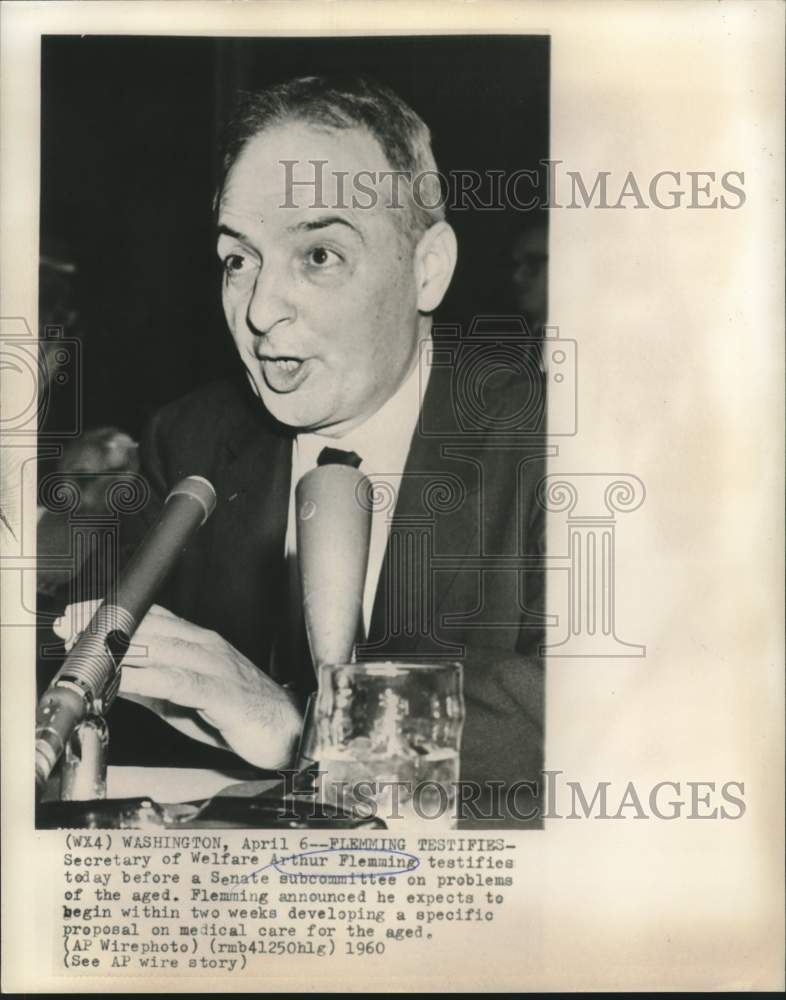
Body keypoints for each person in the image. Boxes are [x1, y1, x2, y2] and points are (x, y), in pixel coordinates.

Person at [54, 76, 546, 821]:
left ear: (428, 269)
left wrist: (307, 726)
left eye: (318, 255)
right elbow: (65, 651)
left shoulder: (554, 440)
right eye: (238, 259)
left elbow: (593, 714)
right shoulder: (190, 440)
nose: (259, 310)